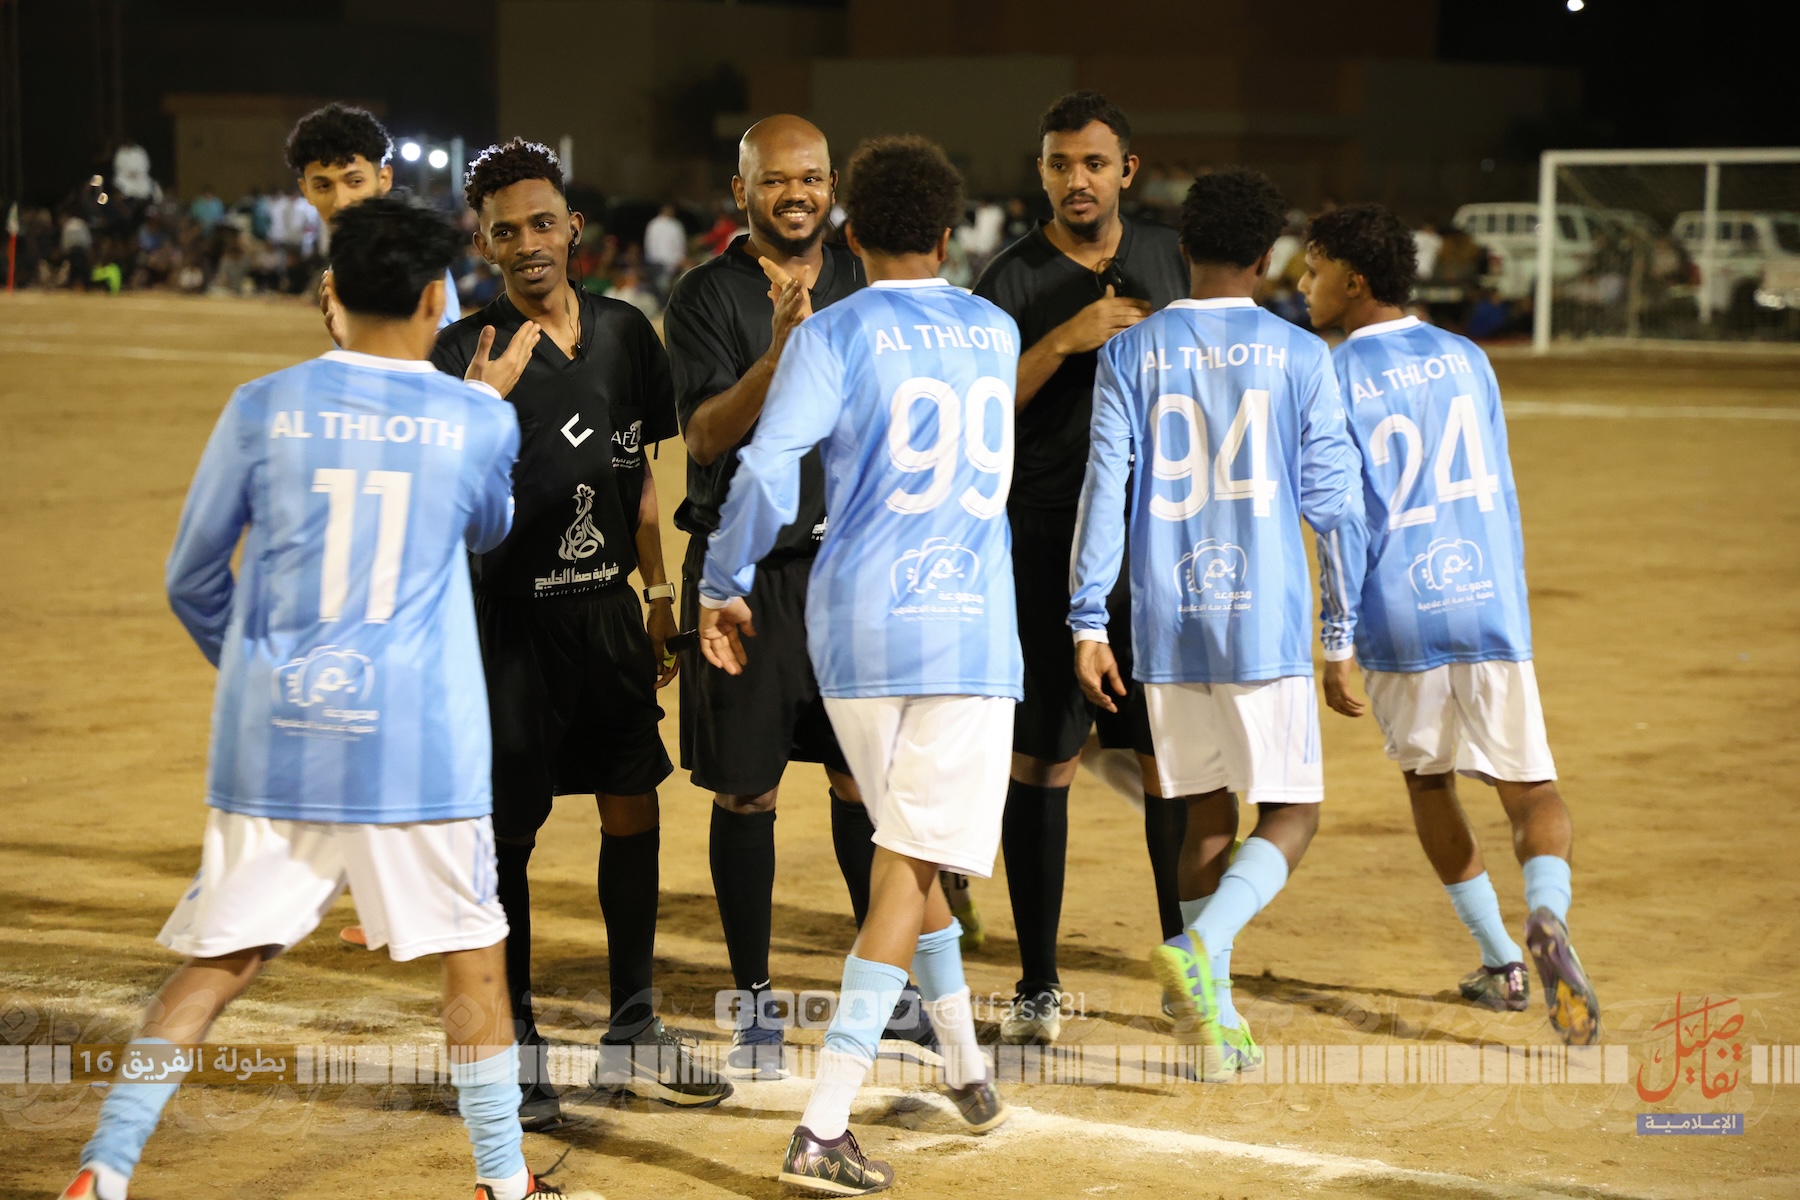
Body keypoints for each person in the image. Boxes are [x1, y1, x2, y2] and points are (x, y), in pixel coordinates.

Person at [53, 196, 577, 1200]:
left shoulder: (261, 405)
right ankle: (503, 1184)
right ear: (433, 299)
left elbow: (192, 580)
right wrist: (488, 406)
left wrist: (262, 677)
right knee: (474, 954)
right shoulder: (473, 417)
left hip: (277, 737)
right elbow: (487, 531)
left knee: (224, 956)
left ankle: (104, 1169)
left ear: (335, 292)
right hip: (418, 746)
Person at [699, 133, 1015, 1197]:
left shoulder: (833, 331)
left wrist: (721, 579)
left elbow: (767, 467)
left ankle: (964, 1064)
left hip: (854, 630)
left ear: (851, 231)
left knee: (912, 848)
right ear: (947, 234)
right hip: (965, 628)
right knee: (910, 862)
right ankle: (824, 1122)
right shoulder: (997, 329)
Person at [433, 138, 731, 1129]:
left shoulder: (625, 334)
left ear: (573, 229)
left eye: (541, 223)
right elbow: (441, 500)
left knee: (632, 805)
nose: (527, 243)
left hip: (607, 615)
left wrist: (657, 593)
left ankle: (633, 1024)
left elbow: (636, 473)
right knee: (508, 837)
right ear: (482, 243)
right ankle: (514, 1041)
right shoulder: (463, 354)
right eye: (504, 230)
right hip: (509, 625)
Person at [1069, 168, 1368, 1077]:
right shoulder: (1302, 355)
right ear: (1268, 255)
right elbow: (1334, 508)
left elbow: (1104, 487)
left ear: (1184, 248)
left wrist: (1088, 620)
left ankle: (1215, 1027)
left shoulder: (1132, 351)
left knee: (1203, 813)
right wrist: (1340, 637)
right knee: (1294, 811)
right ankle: (1201, 952)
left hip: (1168, 622)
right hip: (1262, 622)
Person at [1297, 203, 1601, 1045]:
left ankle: (1501, 960)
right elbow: (1499, 482)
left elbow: (1342, 520)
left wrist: (1335, 638)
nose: (1303, 284)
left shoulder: (1331, 376)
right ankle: (1547, 912)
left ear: (1355, 281)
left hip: (1400, 611)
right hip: (1488, 599)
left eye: (1315, 269)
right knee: (1530, 788)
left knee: (1430, 783)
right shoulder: (1469, 358)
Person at [664, 115, 902, 1078]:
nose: (794, 194)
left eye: (810, 178)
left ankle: (885, 994)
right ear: (742, 191)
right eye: (774, 180)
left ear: (833, 185)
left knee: (861, 783)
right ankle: (755, 1003)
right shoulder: (704, 295)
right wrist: (779, 354)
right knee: (748, 791)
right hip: (747, 577)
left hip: (849, 573)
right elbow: (705, 438)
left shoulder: (865, 284)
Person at [970, 89, 1190, 1045]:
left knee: (1167, 761)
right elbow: (982, 410)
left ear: (1126, 171)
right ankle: (1038, 981)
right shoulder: (1010, 279)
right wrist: (1064, 340)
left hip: (1155, 543)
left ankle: (1189, 966)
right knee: (1044, 760)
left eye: (1094, 163)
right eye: (1060, 164)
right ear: (1042, 172)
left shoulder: (1172, 261)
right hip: (1042, 542)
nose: (1077, 180)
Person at [285, 102, 462, 342]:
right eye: (323, 186)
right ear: (306, 190)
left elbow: (443, 351)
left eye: (355, 182)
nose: (340, 201)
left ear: (384, 179)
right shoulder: (356, 253)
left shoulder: (407, 254)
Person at [643, 201, 687, 293]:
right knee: (660, 288)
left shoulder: (676, 224)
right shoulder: (654, 224)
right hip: (658, 263)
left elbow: (680, 244)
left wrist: (680, 259)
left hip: (676, 264)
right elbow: (650, 244)